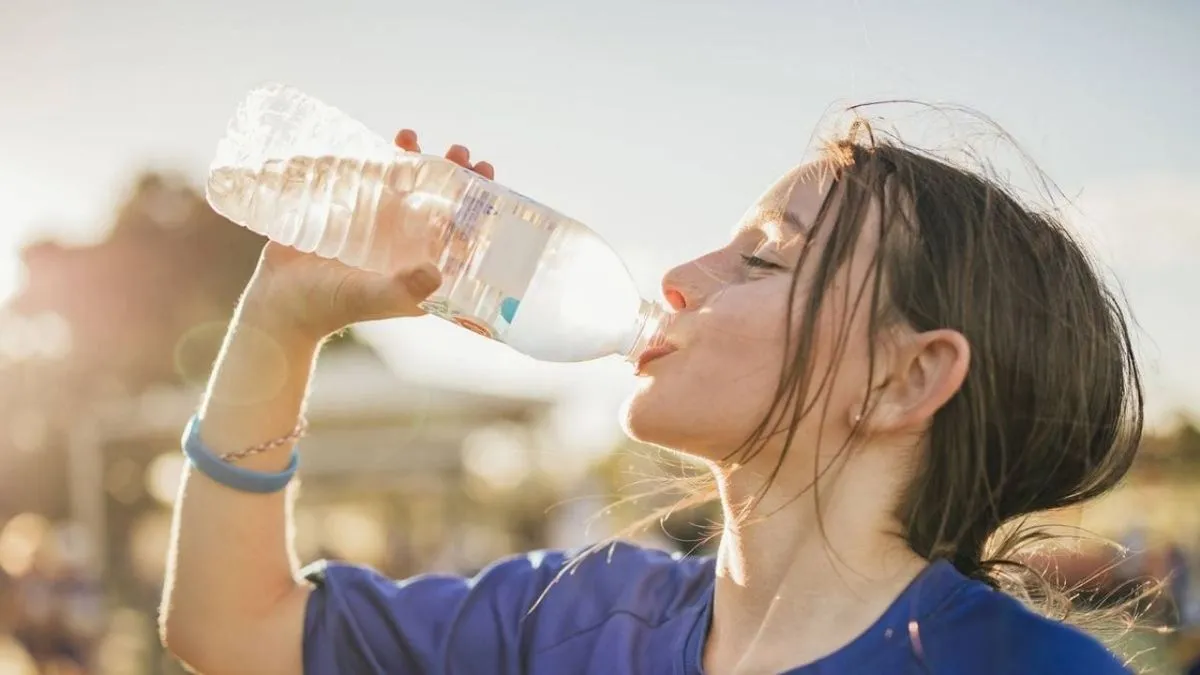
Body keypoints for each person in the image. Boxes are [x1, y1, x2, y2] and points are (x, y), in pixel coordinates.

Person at [160, 118, 1145, 674]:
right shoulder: (575, 616)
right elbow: (229, 630)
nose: (678, 274)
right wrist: (281, 324)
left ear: (905, 378)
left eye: (760, 257)